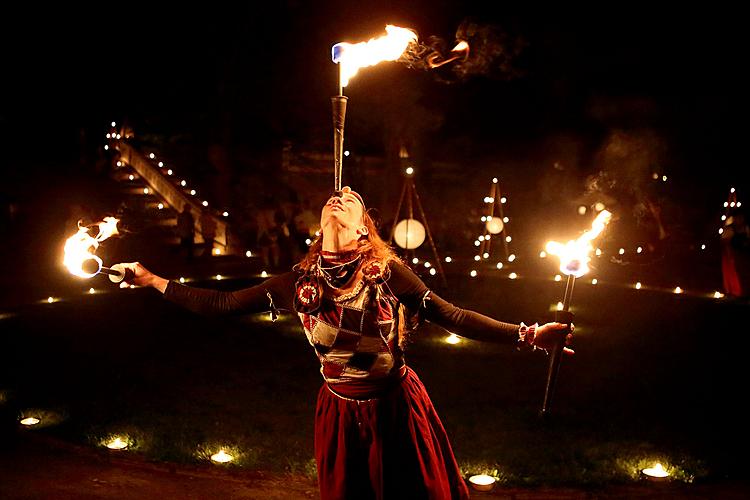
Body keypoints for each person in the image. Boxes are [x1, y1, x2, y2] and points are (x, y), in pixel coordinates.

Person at [116, 187, 572, 500]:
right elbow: (220, 304)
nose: (339, 198)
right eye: (334, 198)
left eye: (351, 201)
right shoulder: (298, 282)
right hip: (339, 411)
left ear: (362, 230)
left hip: (395, 409)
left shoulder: (388, 273)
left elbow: (452, 317)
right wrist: (152, 279)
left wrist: (529, 335)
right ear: (321, 225)